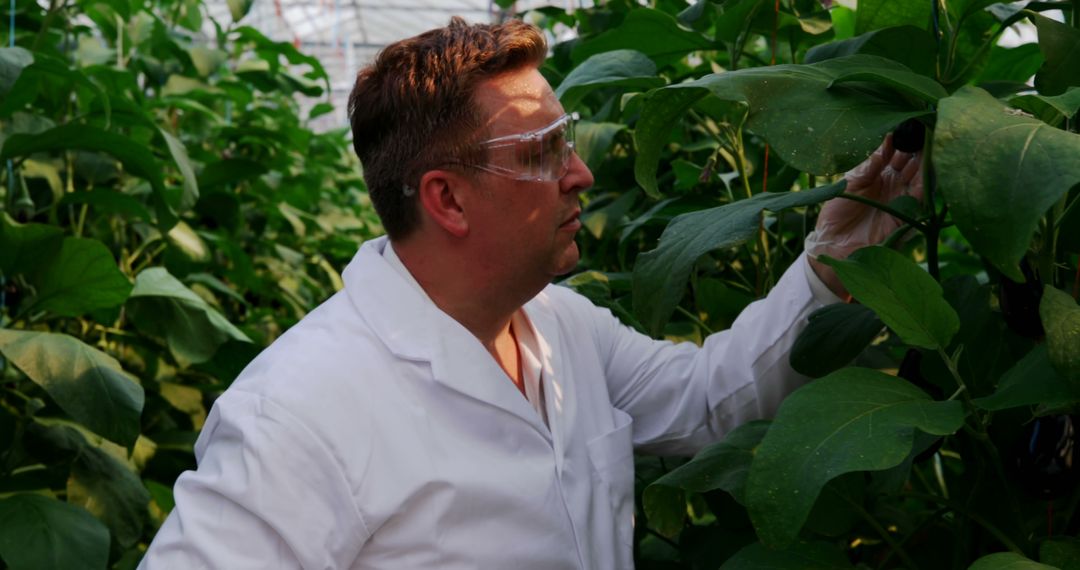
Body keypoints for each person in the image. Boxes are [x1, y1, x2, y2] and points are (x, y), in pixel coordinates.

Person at [138, 17, 922, 570]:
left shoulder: (559, 326)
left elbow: (711, 400)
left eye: (568, 139)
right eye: (544, 152)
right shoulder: (301, 413)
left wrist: (836, 261)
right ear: (446, 199)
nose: (581, 173)